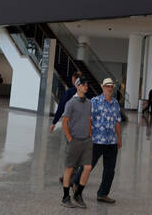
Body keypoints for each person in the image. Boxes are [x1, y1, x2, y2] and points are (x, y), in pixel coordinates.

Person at [60, 78, 93, 209]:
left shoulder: (89, 103)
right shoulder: (71, 103)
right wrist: (69, 138)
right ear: (78, 87)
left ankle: (78, 194)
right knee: (70, 168)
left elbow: (89, 120)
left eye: (87, 85)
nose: (86, 87)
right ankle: (65, 197)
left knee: (88, 167)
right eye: (83, 85)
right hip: (74, 140)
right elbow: (64, 122)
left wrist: (90, 135)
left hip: (86, 140)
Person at [90, 78, 123, 204]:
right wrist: (89, 135)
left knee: (110, 170)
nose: (109, 88)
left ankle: (103, 194)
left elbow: (117, 122)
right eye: (107, 86)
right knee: (89, 165)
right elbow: (89, 120)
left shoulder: (115, 103)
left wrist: (119, 138)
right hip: (97, 141)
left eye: (111, 87)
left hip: (111, 142)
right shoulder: (95, 101)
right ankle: (76, 183)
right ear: (102, 87)